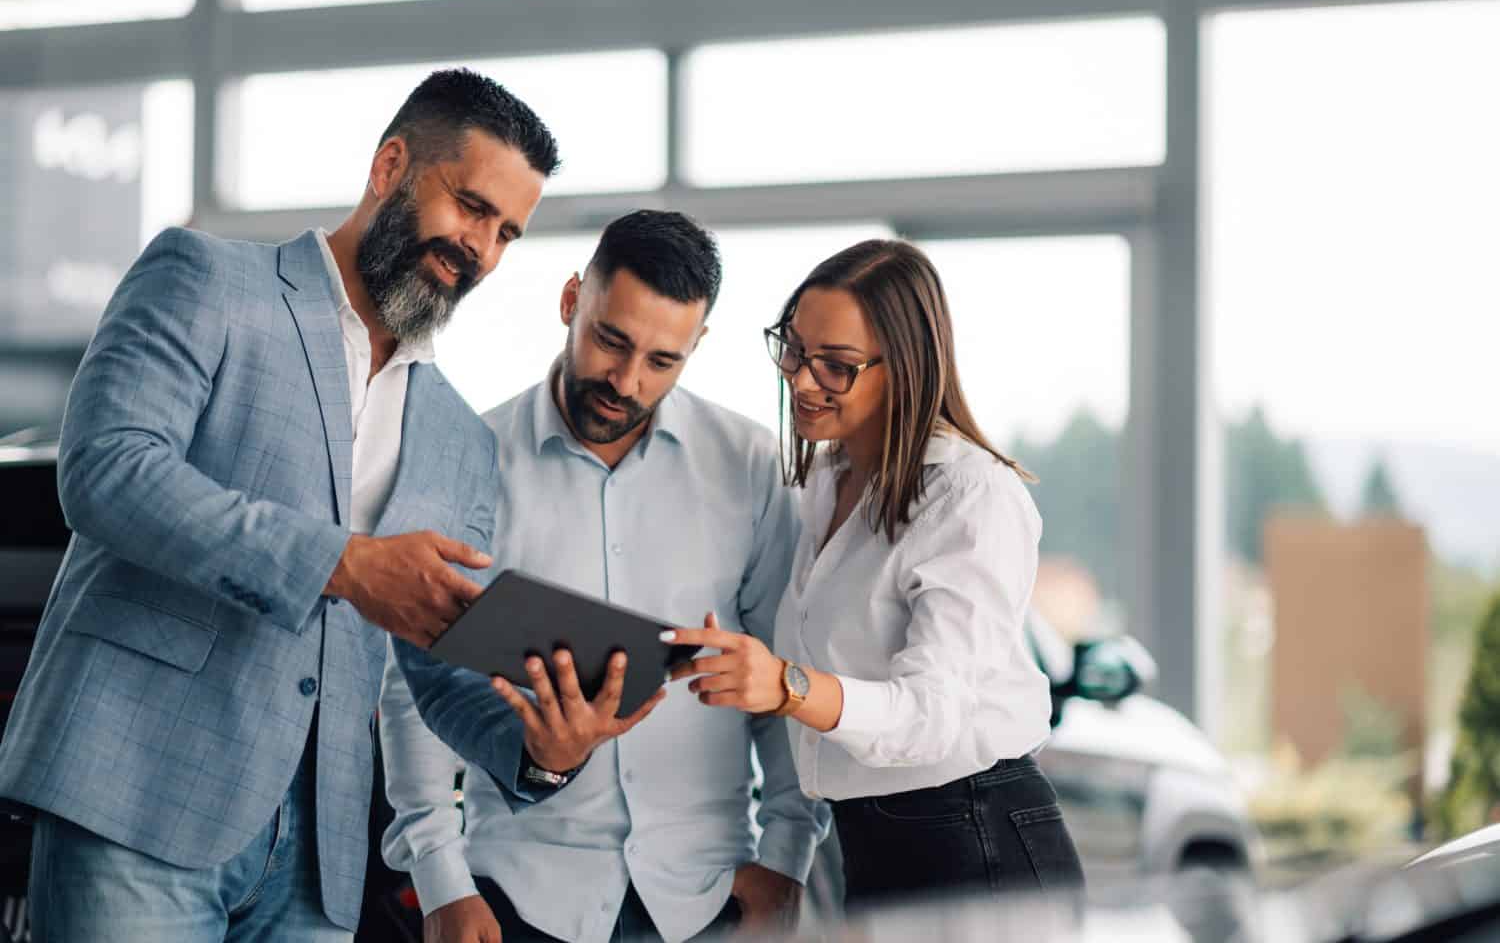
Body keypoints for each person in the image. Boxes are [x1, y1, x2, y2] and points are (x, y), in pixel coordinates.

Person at [0, 68, 559, 941]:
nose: (481, 249)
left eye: (506, 232)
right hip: (139, 800)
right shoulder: (207, 277)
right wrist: (344, 564)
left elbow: (438, 664)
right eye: (470, 206)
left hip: (318, 861)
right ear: (390, 165)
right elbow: (107, 471)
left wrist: (544, 748)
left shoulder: (460, 439)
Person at [383, 210, 830, 943]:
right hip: (518, 900)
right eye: (610, 340)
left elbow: (786, 671)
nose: (625, 381)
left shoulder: (750, 466)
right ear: (570, 302)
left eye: (662, 361)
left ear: (698, 346)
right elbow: (415, 687)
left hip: (707, 898)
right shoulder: (468, 458)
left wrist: (788, 855)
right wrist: (440, 883)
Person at [664, 239, 1085, 912]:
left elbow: (930, 718)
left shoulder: (970, 495)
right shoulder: (825, 483)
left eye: (836, 366)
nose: (801, 380)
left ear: (906, 368)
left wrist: (784, 685)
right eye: (794, 349)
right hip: (869, 841)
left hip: (976, 840)